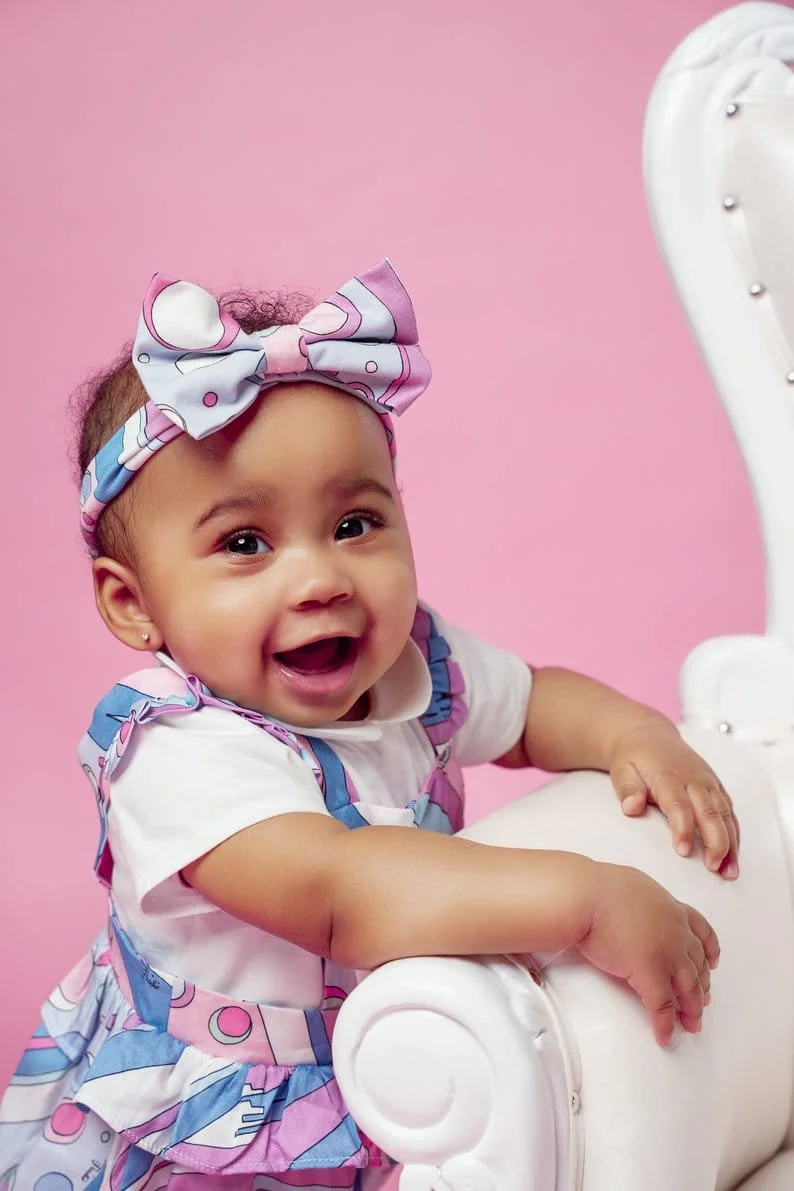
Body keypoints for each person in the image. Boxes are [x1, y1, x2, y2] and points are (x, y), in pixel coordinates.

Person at [0, 261, 737, 1190]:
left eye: (354, 523)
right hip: (218, 1120)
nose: (321, 578)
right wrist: (584, 899)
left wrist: (639, 738)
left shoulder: (412, 664)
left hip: (392, 1067)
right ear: (133, 603)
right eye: (244, 543)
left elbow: (535, 706)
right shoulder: (174, 751)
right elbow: (343, 893)